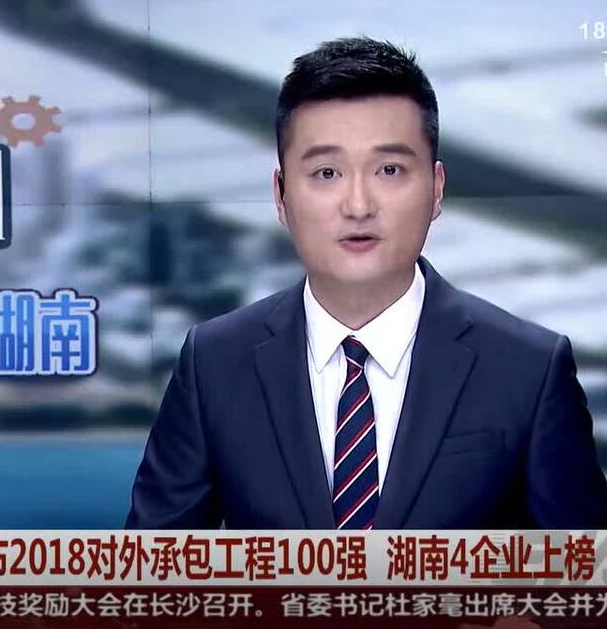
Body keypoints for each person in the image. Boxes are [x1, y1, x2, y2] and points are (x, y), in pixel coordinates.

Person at [126, 37, 607, 529]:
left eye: (389, 170)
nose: (358, 205)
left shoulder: (529, 369)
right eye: (326, 172)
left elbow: (585, 569)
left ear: (437, 188)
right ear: (281, 194)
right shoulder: (214, 364)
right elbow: (152, 569)